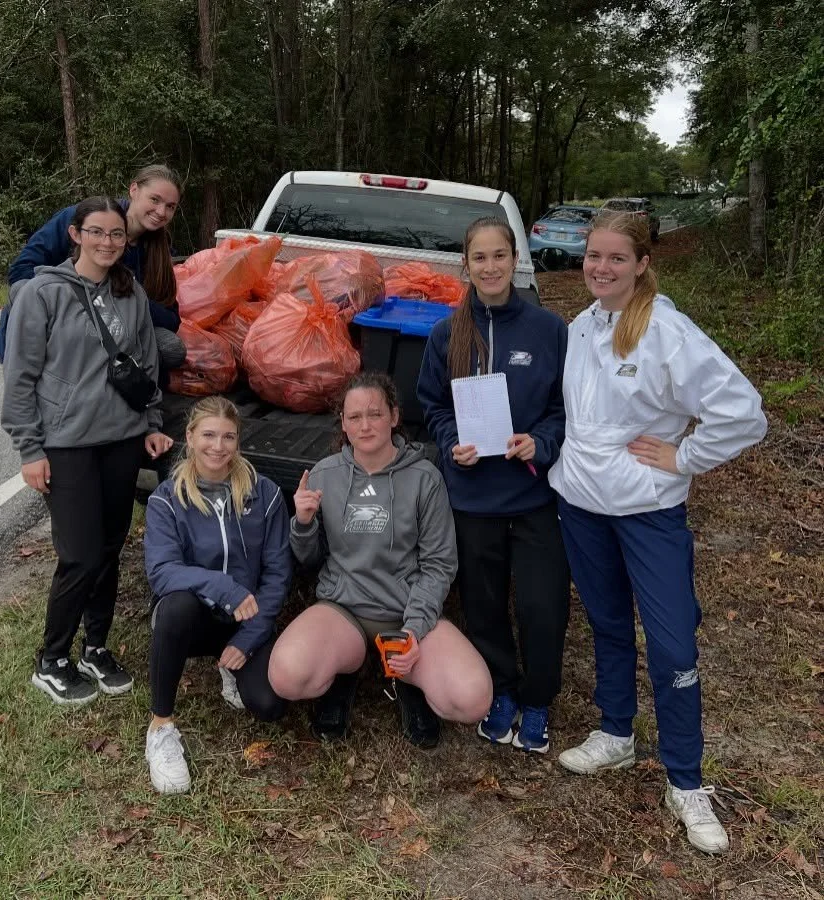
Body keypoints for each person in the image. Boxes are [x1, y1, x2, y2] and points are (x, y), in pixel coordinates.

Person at [548, 213, 767, 854]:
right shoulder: (580, 327)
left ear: (642, 263)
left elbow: (742, 412)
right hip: (580, 505)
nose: (601, 268)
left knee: (672, 643)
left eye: (617, 258)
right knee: (609, 623)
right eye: (594, 256)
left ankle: (686, 778)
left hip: (647, 512)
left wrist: (684, 458)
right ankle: (616, 733)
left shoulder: (667, 331)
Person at [1, 196, 174, 706]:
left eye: (116, 235)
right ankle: (51, 658)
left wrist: (152, 423)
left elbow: (145, 366)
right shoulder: (41, 293)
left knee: (108, 550)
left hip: (120, 440)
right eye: (96, 233)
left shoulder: (131, 292)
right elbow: (20, 379)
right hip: (66, 445)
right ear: (75, 235)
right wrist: (30, 449)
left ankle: (95, 646)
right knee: (78, 554)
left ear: (126, 241)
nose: (107, 243)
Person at [268, 372, 491, 748]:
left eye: (374, 413)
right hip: (343, 612)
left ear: (394, 416)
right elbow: (309, 560)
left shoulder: (425, 479)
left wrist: (414, 629)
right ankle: (347, 671)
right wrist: (302, 523)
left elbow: (439, 564)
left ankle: (406, 679)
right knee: (287, 677)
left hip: (405, 612)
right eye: (354, 417)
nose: (365, 424)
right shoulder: (325, 474)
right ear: (343, 422)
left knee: (472, 699)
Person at [416, 216, 571, 753]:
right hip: (473, 495)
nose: (490, 266)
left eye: (499, 255)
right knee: (482, 604)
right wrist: (451, 440)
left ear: (515, 260)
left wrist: (540, 443)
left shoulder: (549, 331)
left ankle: (537, 699)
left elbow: (563, 409)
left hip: (533, 495)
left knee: (541, 603)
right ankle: (502, 688)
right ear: (466, 264)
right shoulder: (446, 334)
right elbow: (431, 405)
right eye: (479, 257)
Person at [143, 395, 291, 794]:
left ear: (238, 441)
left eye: (228, 436)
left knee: (269, 705)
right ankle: (160, 728)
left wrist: (249, 638)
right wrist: (223, 587)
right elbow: (162, 572)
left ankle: (232, 665)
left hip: (246, 619)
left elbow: (277, 574)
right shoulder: (166, 500)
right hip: (194, 618)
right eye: (208, 434)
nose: (218, 446)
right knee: (174, 607)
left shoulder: (267, 494)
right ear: (189, 437)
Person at [0, 164, 186, 375]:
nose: (161, 212)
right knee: (21, 289)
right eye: (155, 199)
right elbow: (21, 270)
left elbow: (171, 318)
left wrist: (129, 301)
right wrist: (67, 299)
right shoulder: (83, 217)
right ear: (134, 190)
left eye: (170, 206)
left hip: (113, 322)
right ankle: (38, 370)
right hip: (63, 313)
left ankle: (129, 387)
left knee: (171, 348)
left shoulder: (159, 249)